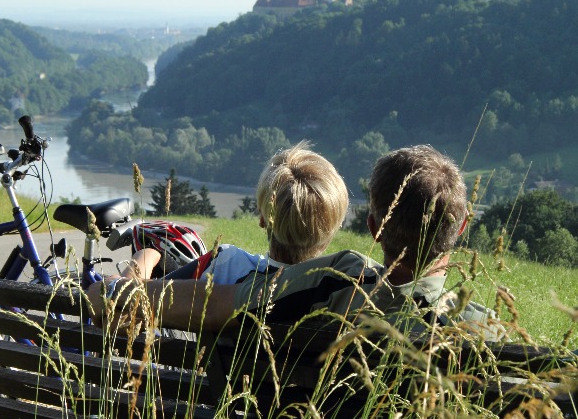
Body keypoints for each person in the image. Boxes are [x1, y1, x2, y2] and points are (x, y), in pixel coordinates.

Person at [90, 145, 503, 341]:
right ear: (463, 227)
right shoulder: (489, 333)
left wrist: (130, 266)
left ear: (375, 227)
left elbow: (117, 302)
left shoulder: (331, 285)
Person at [121, 141, 349, 285]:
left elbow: (134, 299)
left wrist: (146, 255)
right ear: (331, 231)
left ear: (262, 218)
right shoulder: (341, 291)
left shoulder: (226, 265)